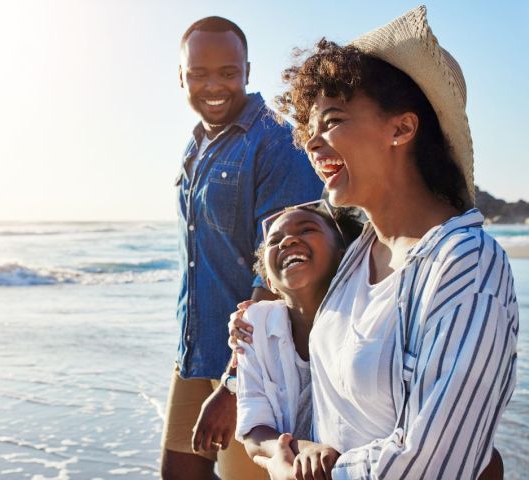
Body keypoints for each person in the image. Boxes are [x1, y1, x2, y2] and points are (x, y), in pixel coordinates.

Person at [228, 6, 516, 479]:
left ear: (401, 129)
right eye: (309, 130)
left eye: (333, 121)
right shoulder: (355, 256)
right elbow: (323, 389)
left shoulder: (465, 264)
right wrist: (258, 326)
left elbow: (434, 463)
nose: (312, 144)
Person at [161, 16, 323, 480]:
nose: (213, 86)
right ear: (182, 77)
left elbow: (282, 273)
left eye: (227, 73)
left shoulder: (275, 142)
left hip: (253, 365)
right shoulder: (197, 146)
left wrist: (234, 384)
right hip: (195, 353)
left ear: (247, 71)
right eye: (198, 74)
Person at [235, 202, 363, 480]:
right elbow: (253, 429)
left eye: (307, 229)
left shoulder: (366, 321)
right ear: (269, 281)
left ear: (344, 255)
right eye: (274, 240)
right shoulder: (252, 326)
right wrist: (294, 450)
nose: (289, 240)